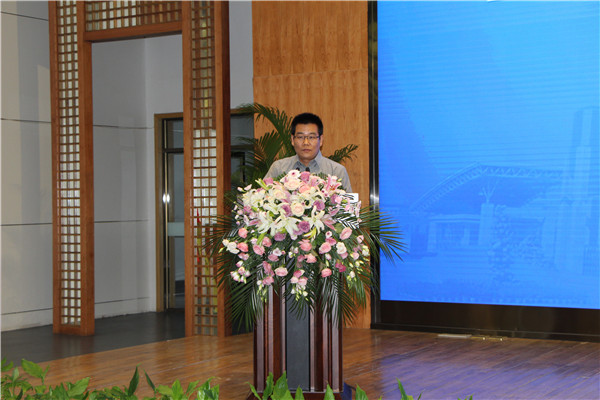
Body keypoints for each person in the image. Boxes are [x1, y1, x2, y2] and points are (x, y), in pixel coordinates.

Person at [264, 112, 352, 192]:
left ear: (321, 140)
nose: (306, 143)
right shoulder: (279, 168)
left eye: (311, 137)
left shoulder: (336, 171)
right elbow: (263, 198)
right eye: (300, 137)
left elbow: (348, 203)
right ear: (292, 140)